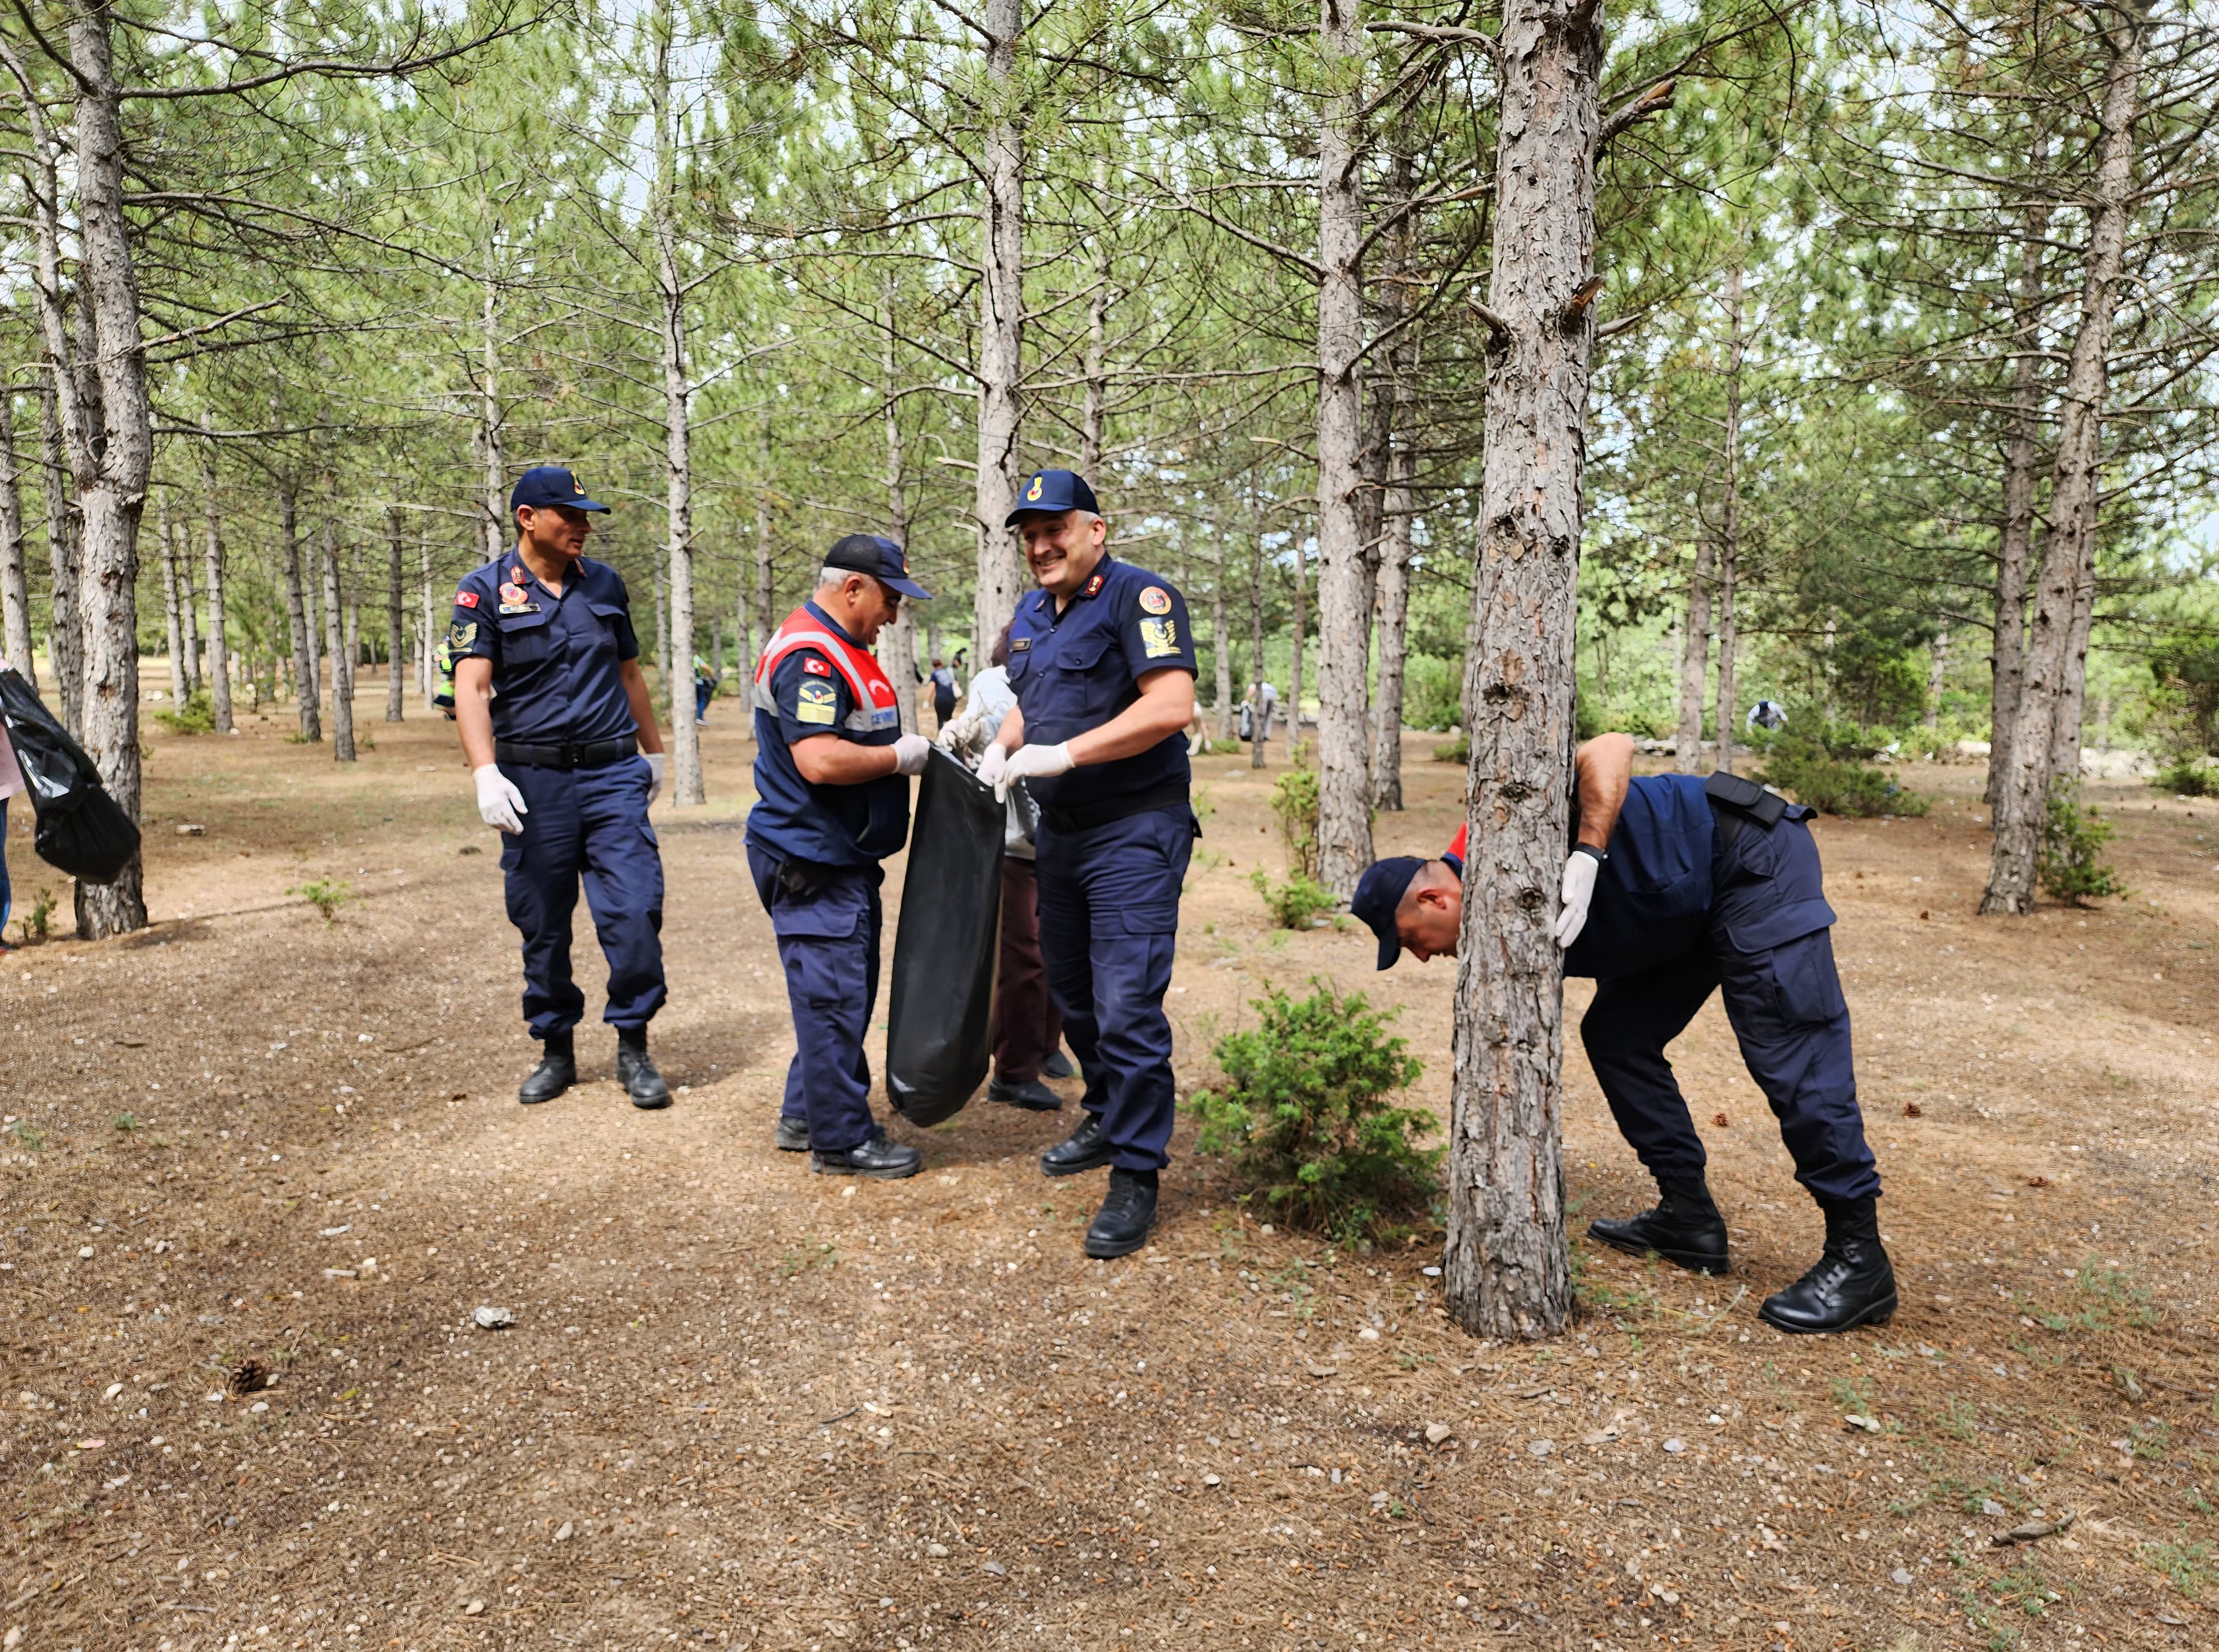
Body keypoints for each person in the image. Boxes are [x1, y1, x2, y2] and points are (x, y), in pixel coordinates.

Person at [1349, 734, 1895, 1335]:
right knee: (1616, 1034)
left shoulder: (1503, 828)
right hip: (1683, 912)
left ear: (1433, 897)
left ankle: (1857, 1256)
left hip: (1749, 860)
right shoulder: (1488, 918)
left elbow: (1610, 747)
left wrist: (1587, 852)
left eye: (1409, 940)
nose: (1422, 959)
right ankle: (1688, 1217)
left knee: (1792, 1048)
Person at [979, 468, 1198, 1259]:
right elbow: (1033, 704)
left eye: (1055, 529)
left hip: (1135, 830)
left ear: (1095, 530)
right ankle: (1108, 1116)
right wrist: (999, 751)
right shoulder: (1035, 612)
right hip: (1060, 834)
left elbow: (1171, 706)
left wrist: (1063, 754)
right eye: (1029, 535)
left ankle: (1137, 1169)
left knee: (1126, 1000)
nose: (1040, 546)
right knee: (1073, 991)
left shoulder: (1140, 597)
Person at [451, 466, 673, 1109]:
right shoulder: (484, 591)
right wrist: (484, 771)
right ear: (527, 518)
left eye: (586, 516)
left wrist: (653, 754)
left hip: (611, 776)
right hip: (533, 781)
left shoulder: (604, 583)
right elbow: (471, 686)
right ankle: (556, 1048)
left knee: (634, 911)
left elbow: (629, 673)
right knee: (543, 923)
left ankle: (634, 1044)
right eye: (569, 515)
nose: (582, 526)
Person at [748, 535, 934, 1178]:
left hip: (837, 856)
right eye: (888, 599)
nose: (893, 614)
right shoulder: (813, 654)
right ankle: (841, 1139)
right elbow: (820, 758)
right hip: (811, 858)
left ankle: (807, 1111)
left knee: (838, 994)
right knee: (833, 997)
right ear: (852, 586)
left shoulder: (845, 646)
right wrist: (901, 757)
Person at [939, 622, 1066, 1112]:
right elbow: (976, 725)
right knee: (1026, 959)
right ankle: (1013, 1070)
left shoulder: (1072, 679)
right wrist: (965, 738)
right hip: (1015, 843)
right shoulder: (991, 684)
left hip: (1064, 840)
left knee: (1060, 953)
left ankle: (1045, 1046)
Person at [929, 658, 957, 728]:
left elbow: (932, 688)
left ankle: (941, 734)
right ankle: (952, 734)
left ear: (934, 667)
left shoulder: (935, 674)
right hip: (951, 698)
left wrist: (928, 700)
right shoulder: (949, 672)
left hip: (940, 699)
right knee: (949, 719)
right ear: (942, 664)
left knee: (941, 720)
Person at [693, 653, 717, 726]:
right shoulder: (696, 657)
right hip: (697, 683)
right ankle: (699, 717)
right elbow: (705, 666)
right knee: (702, 700)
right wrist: (711, 676)